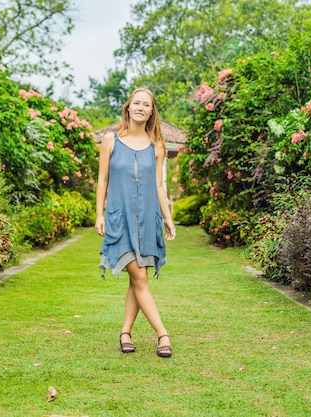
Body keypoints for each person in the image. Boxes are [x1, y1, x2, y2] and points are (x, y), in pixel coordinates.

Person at [95, 88, 176, 358]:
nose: (141, 107)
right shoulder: (111, 140)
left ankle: (125, 332)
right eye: (136, 103)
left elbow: (159, 186)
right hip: (121, 219)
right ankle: (162, 334)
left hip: (147, 220)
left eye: (147, 104)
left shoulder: (157, 146)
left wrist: (167, 217)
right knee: (140, 275)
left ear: (152, 111)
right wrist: (99, 213)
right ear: (128, 107)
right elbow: (103, 180)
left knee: (136, 277)